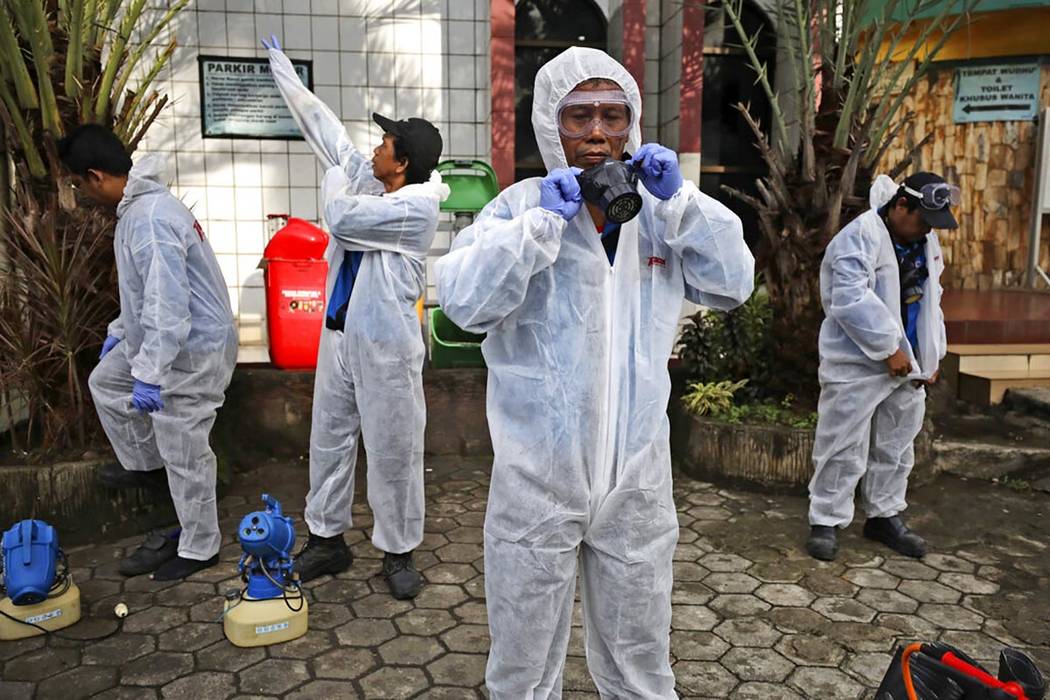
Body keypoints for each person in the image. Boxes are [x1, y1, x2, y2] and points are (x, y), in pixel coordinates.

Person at [436, 47, 754, 698]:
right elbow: (463, 305)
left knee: (640, 667)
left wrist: (684, 201)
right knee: (522, 672)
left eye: (615, 115)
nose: (599, 134)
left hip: (636, 485)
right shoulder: (518, 209)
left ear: (635, 125)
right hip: (537, 484)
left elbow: (733, 285)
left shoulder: (659, 214)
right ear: (551, 126)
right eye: (579, 117)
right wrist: (536, 228)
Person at [263, 36, 448, 599]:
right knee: (329, 438)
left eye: (386, 141)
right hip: (341, 335)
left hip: (387, 347)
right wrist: (288, 79)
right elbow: (330, 137)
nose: (376, 146)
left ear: (404, 161)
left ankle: (398, 552)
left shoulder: (415, 208)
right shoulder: (375, 182)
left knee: (394, 448)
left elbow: (341, 219)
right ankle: (327, 539)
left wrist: (341, 181)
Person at [58, 125, 238, 581]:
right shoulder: (137, 211)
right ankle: (147, 465)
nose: (80, 193)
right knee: (106, 381)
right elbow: (142, 295)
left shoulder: (151, 219)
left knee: (185, 443)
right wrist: (121, 333)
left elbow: (167, 304)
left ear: (96, 176)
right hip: (166, 338)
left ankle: (200, 546)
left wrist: (151, 373)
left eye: (79, 183)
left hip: (193, 348)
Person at [806, 172, 956, 562]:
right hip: (856, 362)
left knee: (897, 442)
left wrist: (932, 354)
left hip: (911, 365)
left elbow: (932, 300)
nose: (927, 230)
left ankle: (884, 515)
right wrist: (889, 348)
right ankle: (826, 518)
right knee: (842, 442)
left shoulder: (923, 240)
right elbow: (849, 300)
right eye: (922, 219)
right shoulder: (858, 237)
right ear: (900, 206)